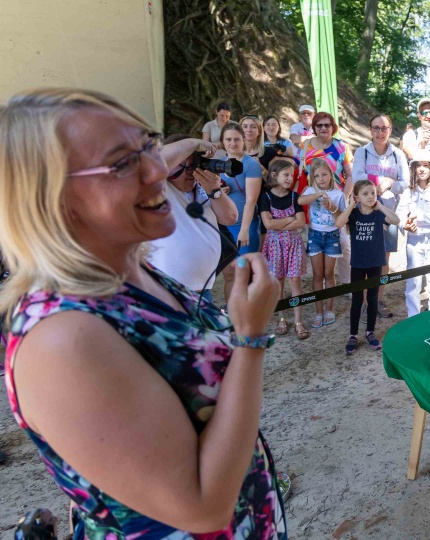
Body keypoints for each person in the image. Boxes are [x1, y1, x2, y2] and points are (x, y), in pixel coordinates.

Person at [0, 88, 285, 537]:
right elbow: (201, 506)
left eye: (148, 146)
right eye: (122, 163)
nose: (158, 170)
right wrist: (249, 339)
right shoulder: (61, 338)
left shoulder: (135, 272)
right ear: (52, 199)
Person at [148, 135, 239, 303]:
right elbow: (151, 162)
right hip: (168, 293)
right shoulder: (158, 188)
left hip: (203, 293)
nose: (190, 172)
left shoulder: (203, 188)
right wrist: (194, 143)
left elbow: (231, 218)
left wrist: (214, 190)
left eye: (194, 165)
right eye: (183, 165)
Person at [352, 113, 410, 318]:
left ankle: (375, 301)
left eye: (384, 128)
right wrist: (381, 179)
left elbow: (405, 182)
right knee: (366, 259)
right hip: (365, 214)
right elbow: (356, 177)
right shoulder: (362, 152)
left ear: (390, 131)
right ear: (370, 130)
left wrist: (391, 184)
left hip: (388, 214)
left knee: (384, 261)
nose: (380, 132)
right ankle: (363, 301)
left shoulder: (398, 155)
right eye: (376, 128)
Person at [334, 180, 400, 355]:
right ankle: (353, 335)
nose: (370, 196)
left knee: (372, 299)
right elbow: (339, 223)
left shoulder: (378, 214)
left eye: (373, 193)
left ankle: (370, 331)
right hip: (358, 263)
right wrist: (351, 205)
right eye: (365, 194)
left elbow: (396, 219)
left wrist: (380, 206)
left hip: (375, 263)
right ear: (357, 197)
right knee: (357, 301)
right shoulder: (354, 215)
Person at [259, 160, 309, 340]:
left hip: (293, 244)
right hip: (274, 246)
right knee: (278, 283)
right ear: (274, 175)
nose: (290, 178)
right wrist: (290, 219)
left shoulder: (295, 197)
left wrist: (278, 223)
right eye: (286, 175)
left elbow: (301, 222)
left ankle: (298, 321)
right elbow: (268, 224)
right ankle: (281, 318)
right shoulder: (266, 197)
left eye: (292, 175)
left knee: (295, 282)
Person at [302, 111, 354, 284]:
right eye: (320, 125)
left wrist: (343, 198)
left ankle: (346, 283)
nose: (324, 128)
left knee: (344, 244)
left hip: (337, 200)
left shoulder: (341, 147)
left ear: (333, 127)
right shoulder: (307, 146)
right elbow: (303, 174)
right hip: (314, 202)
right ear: (314, 127)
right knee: (318, 243)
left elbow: (351, 175)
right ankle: (322, 286)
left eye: (327, 125)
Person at [398, 151, 430, 316]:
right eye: (418, 165)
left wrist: (417, 217)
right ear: (413, 169)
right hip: (414, 241)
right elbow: (399, 215)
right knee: (412, 282)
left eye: (425, 165)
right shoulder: (408, 192)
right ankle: (412, 317)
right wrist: (404, 224)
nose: (421, 169)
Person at [219, 122, 264, 307]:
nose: (232, 143)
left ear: (243, 140)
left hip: (245, 225)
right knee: (229, 273)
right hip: (223, 226)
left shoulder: (250, 164)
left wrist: (245, 230)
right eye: (228, 139)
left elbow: (251, 200)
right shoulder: (218, 164)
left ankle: (247, 313)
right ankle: (232, 315)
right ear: (222, 141)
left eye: (236, 139)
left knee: (243, 271)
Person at [300, 160, 345, 329]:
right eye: (316, 176)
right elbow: (300, 201)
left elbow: (342, 219)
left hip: (332, 235)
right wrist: (318, 195)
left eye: (324, 174)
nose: (321, 179)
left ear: (331, 174)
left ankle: (329, 309)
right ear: (313, 178)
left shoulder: (338, 194)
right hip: (315, 235)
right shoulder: (311, 190)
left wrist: (332, 207)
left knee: (329, 274)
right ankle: (318, 311)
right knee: (317, 275)